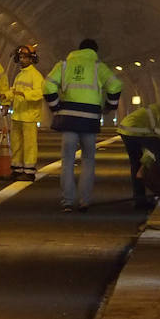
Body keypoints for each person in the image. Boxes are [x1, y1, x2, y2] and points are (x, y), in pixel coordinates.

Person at [43, 39, 122, 212]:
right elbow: (115, 85)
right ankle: (85, 200)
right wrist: (110, 106)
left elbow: (47, 85)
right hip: (90, 119)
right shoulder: (97, 66)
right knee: (88, 160)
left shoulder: (63, 65)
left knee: (67, 161)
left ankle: (67, 202)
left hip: (68, 119)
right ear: (95, 51)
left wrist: (56, 107)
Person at [3, 44, 44, 181]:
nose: (22, 59)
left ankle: (29, 171)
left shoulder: (36, 76)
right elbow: (14, 91)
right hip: (18, 115)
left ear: (32, 59)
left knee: (29, 144)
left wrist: (24, 94)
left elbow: (39, 93)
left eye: (25, 57)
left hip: (29, 116)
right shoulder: (19, 76)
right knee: (16, 143)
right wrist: (5, 97)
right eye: (20, 57)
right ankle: (17, 168)